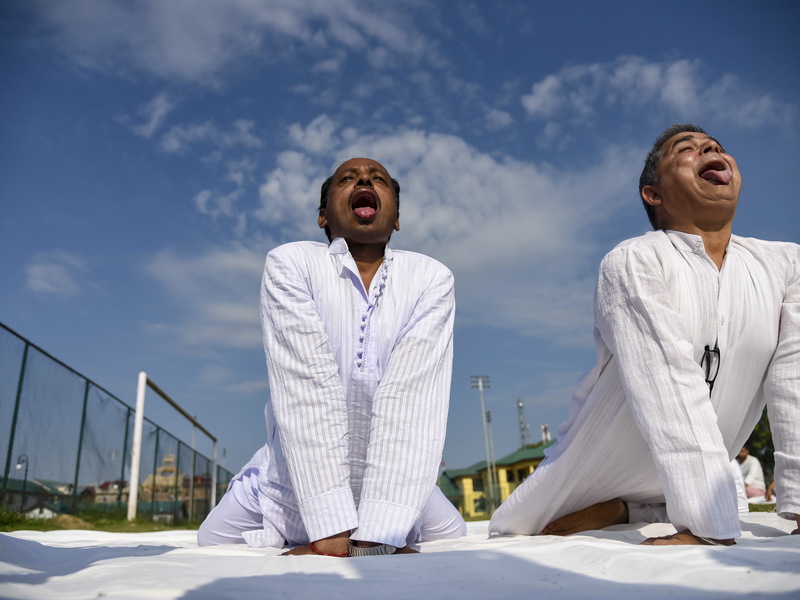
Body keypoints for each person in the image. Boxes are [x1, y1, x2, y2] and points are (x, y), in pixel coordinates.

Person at [490, 124, 800, 546]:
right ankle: (626, 505)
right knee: (519, 529)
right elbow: (668, 386)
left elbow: (793, 386)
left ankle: (628, 510)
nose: (709, 146)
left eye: (715, 145)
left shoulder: (787, 265)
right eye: (685, 148)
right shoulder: (634, 260)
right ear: (654, 194)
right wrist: (707, 525)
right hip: (591, 478)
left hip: (707, 480)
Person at [198, 157, 466, 555]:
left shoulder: (431, 277)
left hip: (398, 481)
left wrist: (382, 532)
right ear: (323, 216)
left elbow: (412, 397)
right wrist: (329, 529)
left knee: (453, 536)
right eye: (348, 178)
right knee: (213, 540)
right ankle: (303, 523)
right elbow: (308, 387)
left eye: (378, 178)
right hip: (292, 480)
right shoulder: (292, 263)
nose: (364, 180)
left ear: (396, 219)